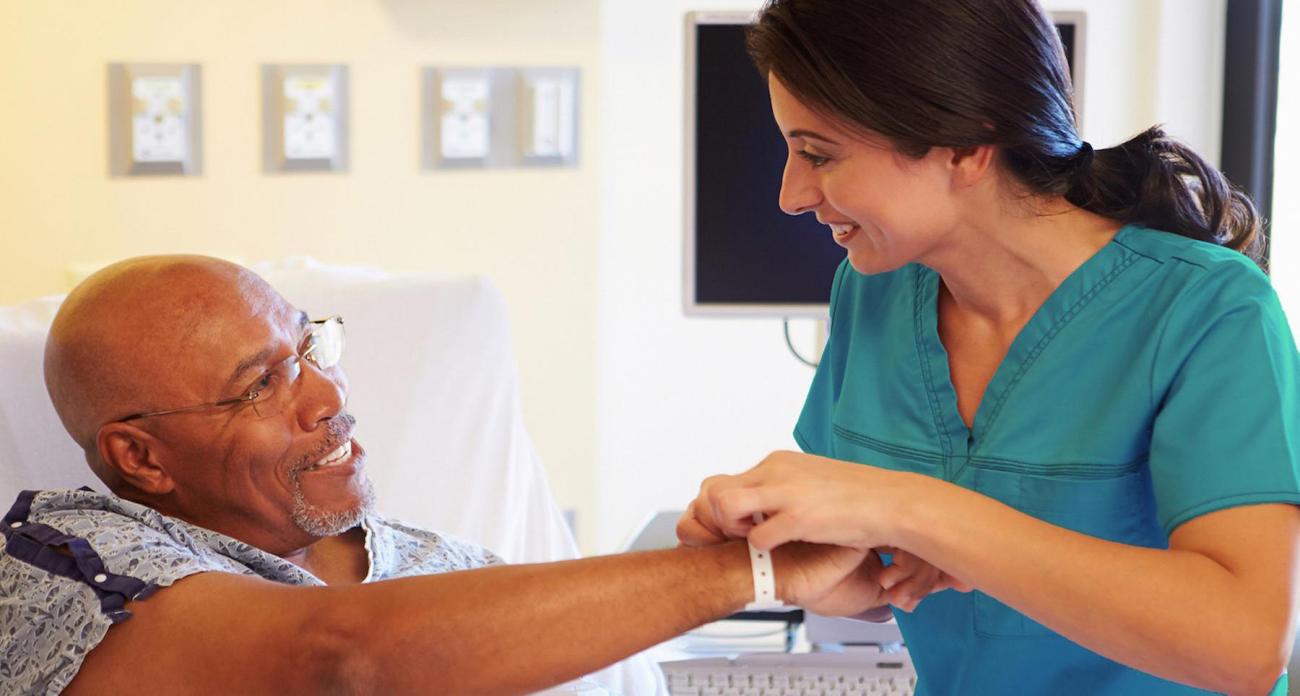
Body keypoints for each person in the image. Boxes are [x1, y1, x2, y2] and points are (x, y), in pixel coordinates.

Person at [676, 1, 1300, 694]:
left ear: (968, 145)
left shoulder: (1207, 309)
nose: (791, 195)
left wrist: (915, 509)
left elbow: (1244, 646)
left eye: (820, 154)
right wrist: (815, 567)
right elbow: (893, 570)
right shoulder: (872, 294)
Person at [1, 255, 896, 695]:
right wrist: (751, 571)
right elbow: (336, 656)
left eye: (310, 346)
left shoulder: (451, 571)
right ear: (140, 458)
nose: (329, 398)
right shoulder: (63, 560)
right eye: (263, 384)